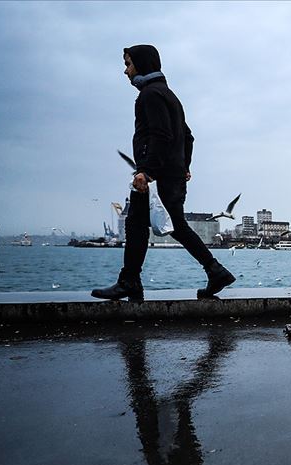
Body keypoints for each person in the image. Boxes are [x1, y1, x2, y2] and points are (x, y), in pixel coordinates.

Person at [92, 45, 234, 302]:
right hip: (171, 173)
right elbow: (188, 137)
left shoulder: (150, 95)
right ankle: (215, 271)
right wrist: (184, 165)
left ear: (142, 64)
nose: (125, 71)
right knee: (173, 225)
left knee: (137, 223)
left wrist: (146, 171)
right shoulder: (168, 94)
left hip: (157, 176)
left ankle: (130, 281)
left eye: (128, 64)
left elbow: (159, 134)